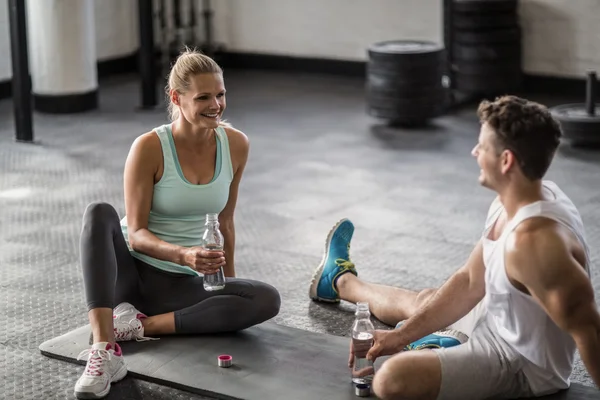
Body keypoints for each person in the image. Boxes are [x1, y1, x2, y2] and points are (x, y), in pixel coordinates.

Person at [309, 95, 600, 400]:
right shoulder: (518, 197)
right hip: (498, 319)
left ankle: (440, 343)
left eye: (482, 147)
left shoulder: (535, 245)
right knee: (427, 301)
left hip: (519, 362)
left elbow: (589, 330)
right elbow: (470, 280)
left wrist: (404, 340)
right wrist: (398, 337)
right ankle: (340, 282)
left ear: (506, 161)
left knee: (392, 379)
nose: (474, 152)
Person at [74, 48, 281, 399]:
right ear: (176, 98)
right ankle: (104, 349)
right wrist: (185, 255)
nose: (215, 104)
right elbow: (136, 234)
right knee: (98, 212)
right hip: (132, 275)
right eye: (203, 97)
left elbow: (226, 221)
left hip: (181, 287)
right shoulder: (150, 147)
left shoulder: (236, 145)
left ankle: (139, 327)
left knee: (266, 299)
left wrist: (227, 286)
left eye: (220, 94)